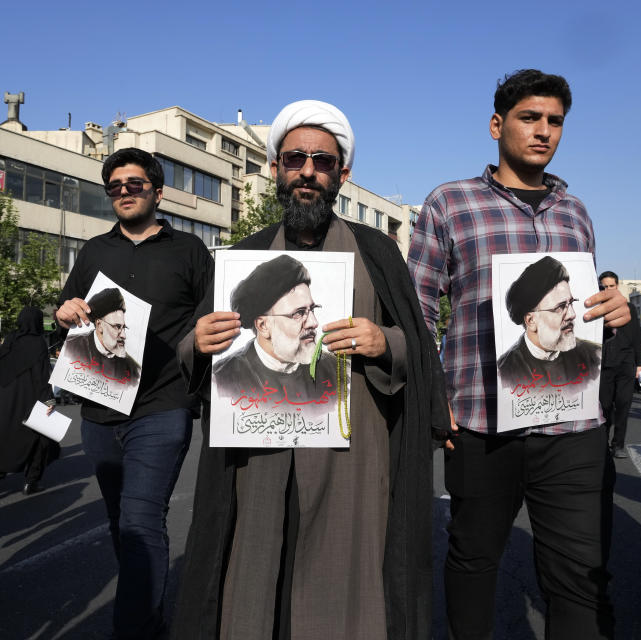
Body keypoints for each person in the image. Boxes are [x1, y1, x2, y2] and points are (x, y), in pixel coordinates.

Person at [174, 99, 447, 640]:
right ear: (275, 168)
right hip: (258, 462)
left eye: (322, 162)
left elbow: (414, 344)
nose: (307, 172)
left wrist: (381, 339)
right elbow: (192, 352)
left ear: (342, 175)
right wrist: (196, 344)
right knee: (256, 590)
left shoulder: (377, 252)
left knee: (344, 596)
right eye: (295, 159)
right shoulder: (241, 257)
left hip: (352, 462)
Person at [408, 69, 631, 639]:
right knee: (474, 562)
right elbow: (416, 307)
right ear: (496, 125)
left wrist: (612, 308)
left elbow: (582, 306)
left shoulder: (575, 212)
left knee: (579, 576)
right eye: (530, 118)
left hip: (573, 425)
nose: (544, 131)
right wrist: (437, 399)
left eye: (555, 121)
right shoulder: (449, 203)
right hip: (482, 423)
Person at [54, 147, 213, 639]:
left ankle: (136, 629)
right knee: (122, 521)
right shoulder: (94, 251)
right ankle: (148, 612)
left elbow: (213, 321)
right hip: (100, 408)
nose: (124, 191)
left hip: (162, 406)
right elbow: (68, 308)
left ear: (157, 192)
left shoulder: (189, 250)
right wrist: (62, 311)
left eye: (135, 183)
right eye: (115, 186)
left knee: (142, 521)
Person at [212, 254, 337, 412]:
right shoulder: (224, 378)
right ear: (263, 325)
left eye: (312, 310)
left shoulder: (335, 370)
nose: (314, 322)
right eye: (298, 313)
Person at [0, 307, 59, 499]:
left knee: (5, 440)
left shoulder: (10, 339)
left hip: (4, 399)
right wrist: (49, 399)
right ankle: (31, 482)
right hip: (29, 399)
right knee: (40, 439)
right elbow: (41, 375)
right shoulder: (37, 342)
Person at [496, 255, 602, 391]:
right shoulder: (505, 372)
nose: (572, 314)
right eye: (560, 307)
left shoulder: (592, 356)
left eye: (571, 303)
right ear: (531, 321)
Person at [597, 271, 641, 458]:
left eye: (611, 286)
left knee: (623, 404)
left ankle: (618, 444)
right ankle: (602, 442)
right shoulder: (595, 311)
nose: (608, 289)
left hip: (626, 363)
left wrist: (640, 364)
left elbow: (636, 337)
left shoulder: (629, 308)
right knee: (605, 406)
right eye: (604, 286)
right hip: (604, 365)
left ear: (617, 287)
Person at [59, 287, 141, 386]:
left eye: (124, 328)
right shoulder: (72, 346)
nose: (123, 335)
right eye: (117, 327)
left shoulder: (133, 369)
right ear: (99, 325)